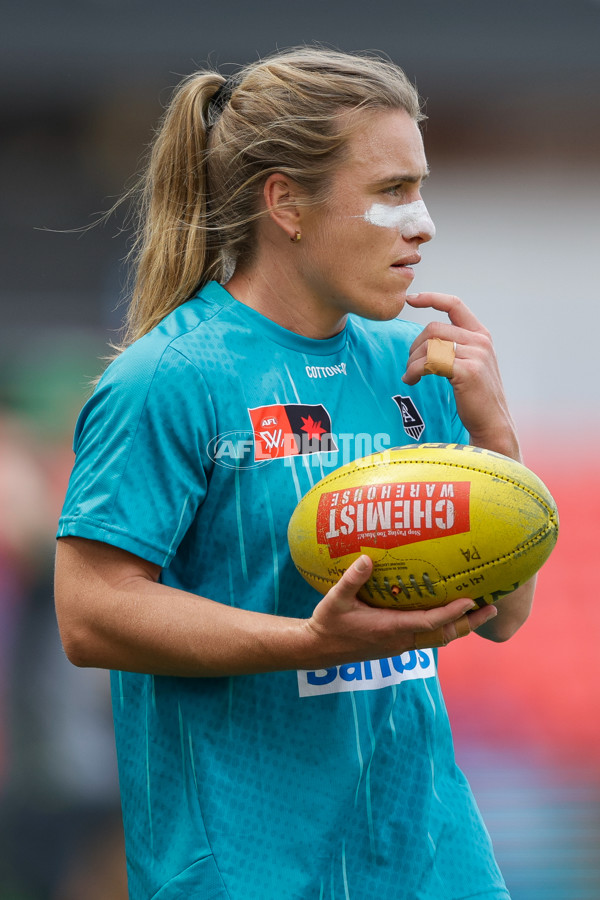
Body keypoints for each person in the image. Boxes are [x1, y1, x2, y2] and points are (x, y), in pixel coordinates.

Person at [54, 47, 534, 900]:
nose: (422, 224)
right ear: (286, 203)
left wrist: (498, 438)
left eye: (420, 189)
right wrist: (309, 645)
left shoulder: (413, 367)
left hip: (431, 860)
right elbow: (90, 615)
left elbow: (503, 617)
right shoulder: (169, 377)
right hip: (245, 868)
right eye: (391, 192)